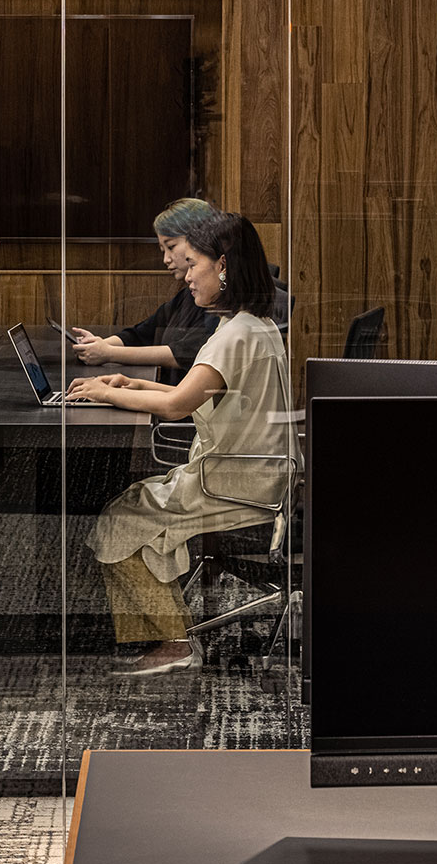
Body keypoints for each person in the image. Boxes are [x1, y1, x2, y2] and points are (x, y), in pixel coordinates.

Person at [69, 211, 293, 677]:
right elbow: (194, 393)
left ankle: (173, 642)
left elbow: (176, 406)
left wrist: (105, 393)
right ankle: (165, 634)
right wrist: (131, 383)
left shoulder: (234, 336)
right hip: (255, 473)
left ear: (223, 266)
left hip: (232, 483)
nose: (187, 277)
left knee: (119, 519)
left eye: (193, 264)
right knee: (134, 514)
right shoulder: (253, 325)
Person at [67, 197, 222, 385]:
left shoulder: (219, 300)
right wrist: (99, 345)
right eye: (162, 250)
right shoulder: (189, 294)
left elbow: (185, 353)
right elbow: (144, 332)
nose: (166, 259)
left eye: (171, 247)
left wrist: (109, 353)